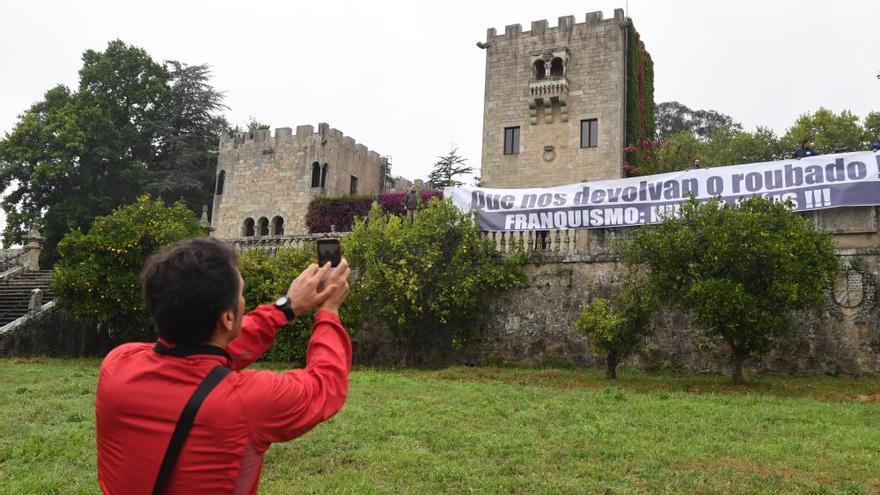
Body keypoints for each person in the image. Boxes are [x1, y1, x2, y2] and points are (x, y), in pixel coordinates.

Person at [96, 237, 352, 494]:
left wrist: (286, 308)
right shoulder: (247, 401)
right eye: (241, 294)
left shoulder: (117, 365)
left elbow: (205, 350)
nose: (242, 301)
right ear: (228, 317)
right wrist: (328, 311)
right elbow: (325, 384)